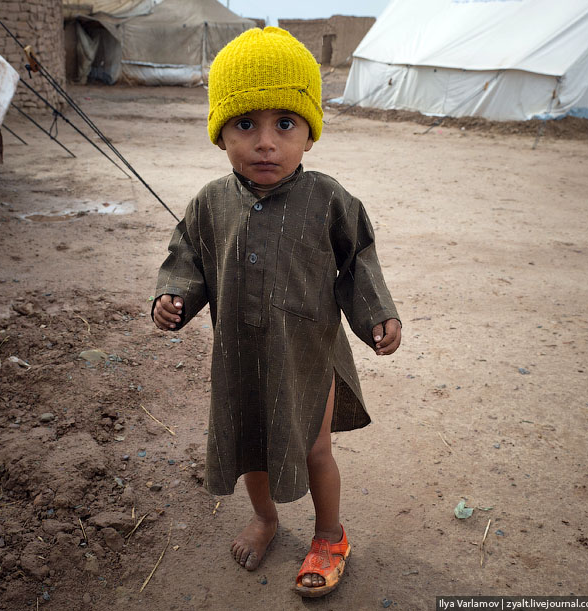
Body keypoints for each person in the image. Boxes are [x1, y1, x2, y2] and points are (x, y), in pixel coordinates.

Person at [152, 26, 401, 598]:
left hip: (310, 353)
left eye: (284, 124)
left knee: (315, 449)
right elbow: (186, 259)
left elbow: (358, 262)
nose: (266, 142)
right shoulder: (210, 203)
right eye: (246, 124)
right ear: (221, 134)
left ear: (309, 134)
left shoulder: (329, 199)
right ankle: (265, 518)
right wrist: (175, 299)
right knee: (250, 444)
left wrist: (377, 316)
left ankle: (329, 535)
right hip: (240, 353)